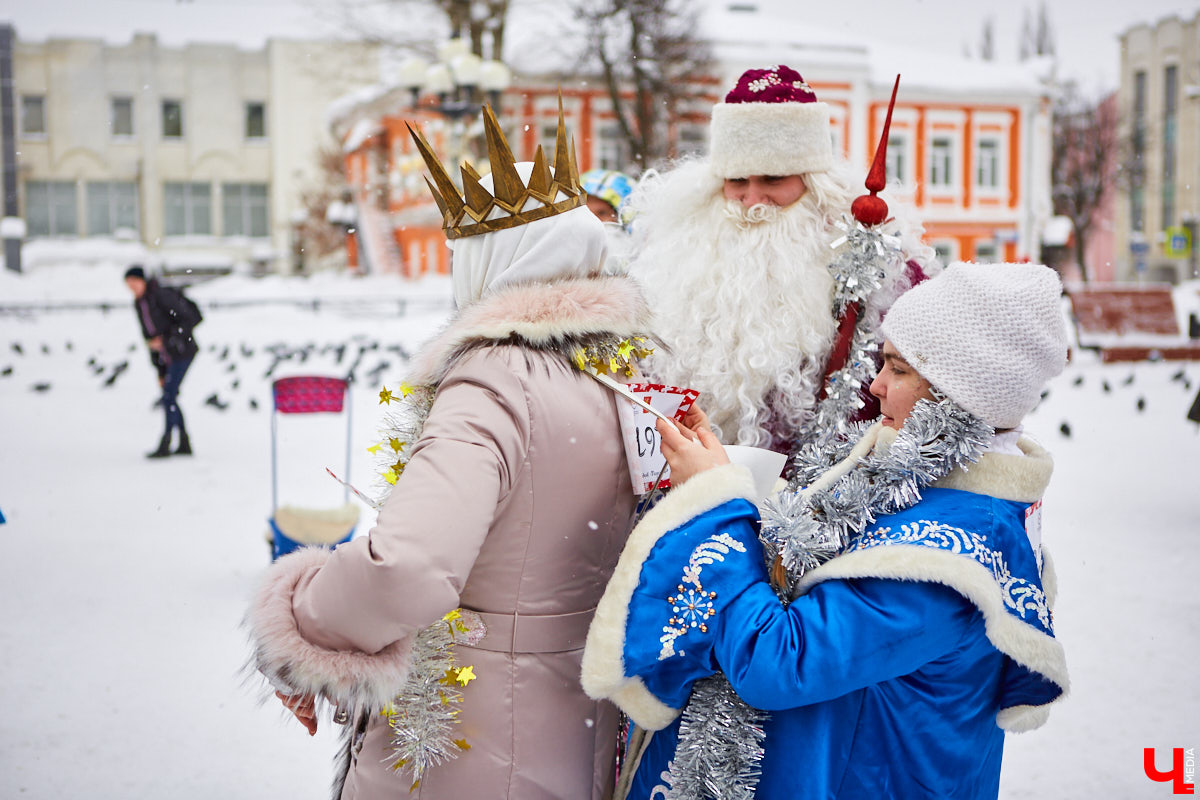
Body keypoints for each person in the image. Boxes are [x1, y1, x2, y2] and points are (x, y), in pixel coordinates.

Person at [245, 103, 652, 800]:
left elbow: (406, 568)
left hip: (474, 735)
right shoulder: (621, 371)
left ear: (490, 261)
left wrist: (298, 616)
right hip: (576, 722)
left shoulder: (493, 382)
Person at [582, 262, 1070, 799]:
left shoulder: (946, 559)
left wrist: (715, 500)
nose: (876, 385)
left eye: (898, 369)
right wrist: (729, 481)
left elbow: (778, 663)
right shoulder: (925, 485)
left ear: (961, 393)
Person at [624, 64, 936, 455]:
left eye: (772, 179)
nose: (753, 201)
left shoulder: (884, 271)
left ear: (813, 183)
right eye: (737, 181)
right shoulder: (666, 259)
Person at [123, 265, 199, 458]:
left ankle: (167, 442)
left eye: (134, 282)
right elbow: (149, 339)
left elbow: (190, 319)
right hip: (166, 357)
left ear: (142, 280)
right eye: (128, 284)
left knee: (168, 397)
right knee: (169, 396)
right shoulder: (140, 303)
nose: (131, 287)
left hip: (182, 352)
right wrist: (160, 371)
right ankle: (183, 442)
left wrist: (166, 339)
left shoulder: (161, 295)